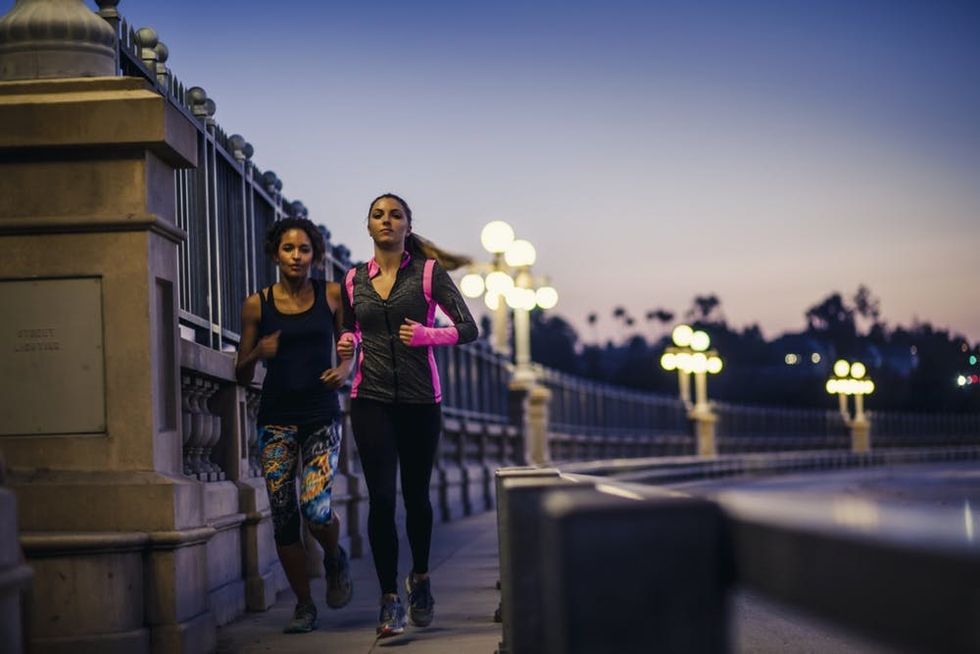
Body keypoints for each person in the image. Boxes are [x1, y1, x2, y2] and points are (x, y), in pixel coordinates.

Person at [338, 193, 477, 637]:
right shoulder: (353, 278)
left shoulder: (429, 274)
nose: (386, 221)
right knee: (380, 499)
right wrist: (347, 344)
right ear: (368, 226)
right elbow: (351, 328)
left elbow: (468, 328)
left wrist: (427, 335)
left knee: (416, 498)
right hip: (370, 399)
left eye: (394, 215)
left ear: (406, 227)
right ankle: (389, 601)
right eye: (378, 215)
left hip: (421, 401)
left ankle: (419, 578)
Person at [236, 217, 355, 634]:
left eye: (304, 249)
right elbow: (238, 371)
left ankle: (334, 556)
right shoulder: (257, 304)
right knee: (284, 515)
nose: (297, 256)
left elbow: (349, 345)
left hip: (321, 413)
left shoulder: (333, 296)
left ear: (314, 256)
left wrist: (344, 367)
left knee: (316, 508)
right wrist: (257, 352)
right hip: (276, 419)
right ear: (275, 254)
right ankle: (305, 605)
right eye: (289, 249)